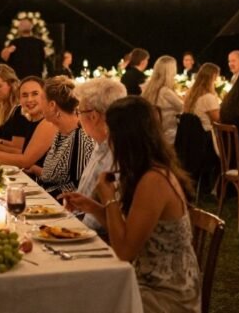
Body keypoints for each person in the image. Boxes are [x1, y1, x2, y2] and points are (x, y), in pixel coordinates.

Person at [90, 96, 201, 313]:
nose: (109, 139)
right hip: (146, 280)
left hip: (167, 294)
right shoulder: (144, 171)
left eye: (111, 132)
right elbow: (128, 231)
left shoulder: (154, 181)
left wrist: (109, 199)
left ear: (125, 137)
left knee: (85, 299)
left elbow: (124, 251)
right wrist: (92, 207)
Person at [59, 78, 128, 232]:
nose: (78, 118)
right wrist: (77, 203)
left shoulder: (118, 154)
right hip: (81, 226)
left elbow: (114, 221)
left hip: (101, 238)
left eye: (79, 112)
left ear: (94, 116)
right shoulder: (100, 144)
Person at [37, 77, 94, 195]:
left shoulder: (81, 137)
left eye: (41, 99)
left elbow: (79, 187)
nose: (39, 104)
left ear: (52, 105)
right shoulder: (60, 132)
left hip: (62, 204)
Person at [0, 77, 58, 172]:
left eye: (35, 94)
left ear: (45, 97)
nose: (29, 99)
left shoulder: (48, 122)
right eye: (25, 95)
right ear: (20, 100)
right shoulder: (30, 120)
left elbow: (25, 161)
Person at [141, 56, 185, 144]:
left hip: (150, 131)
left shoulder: (147, 87)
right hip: (168, 133)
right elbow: (183, 108)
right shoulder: (165, 91)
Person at [182, 63, 221, 132]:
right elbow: (218, 120)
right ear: (213, 77)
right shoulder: (208, 97)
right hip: (205, 134)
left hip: (192, 133)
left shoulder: (191, 94)